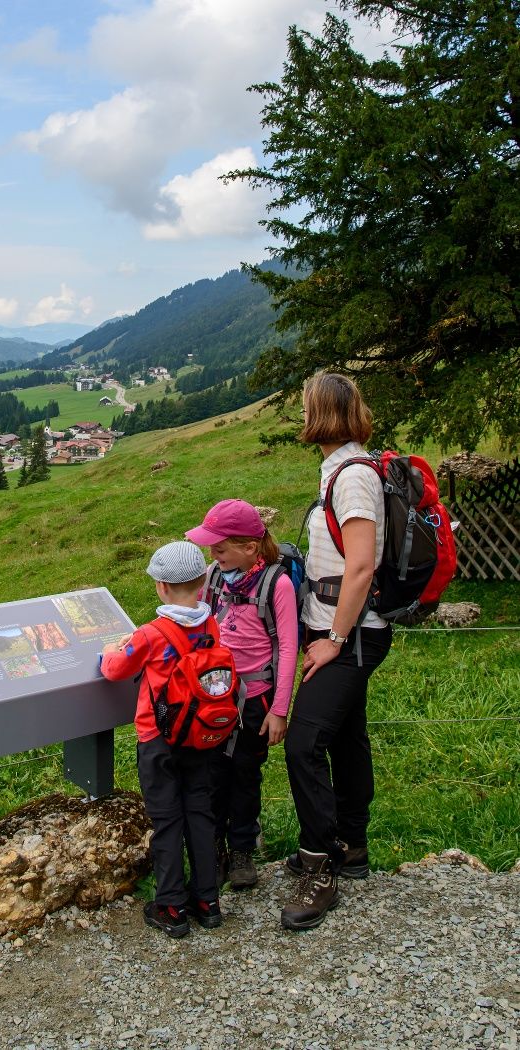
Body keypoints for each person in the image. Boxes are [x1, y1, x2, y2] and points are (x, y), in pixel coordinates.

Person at [280, 371, 393, 931]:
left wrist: (334, 641)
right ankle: (351, 845)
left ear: (320, 413)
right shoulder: (343, 468)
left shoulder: (351, 476)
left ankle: (319, 863)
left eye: (306, 408)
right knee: (347, 736)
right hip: (339, 628)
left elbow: (361, 567)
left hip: (350, 633)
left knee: (304, 743)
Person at [100, 540, 222, 938]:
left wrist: (108, 650)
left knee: (167, 819)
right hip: (200, 737)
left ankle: (170, 906)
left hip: (159, 740)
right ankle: (207, 899)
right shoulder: (210, 623)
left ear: (162, 587)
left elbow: (117, 669)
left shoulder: (152, 633)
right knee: (200, 813)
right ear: (203, 582)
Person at [185, 500, 298, 890]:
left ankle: (242, 851)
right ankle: (213, 849)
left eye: (219, 548)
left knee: (246, 773)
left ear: (249, 547)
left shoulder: (277, 583)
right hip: (214, 694)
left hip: (256, 697)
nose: (211, 555)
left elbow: (287, 647)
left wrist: (279, 710)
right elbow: (196, 621)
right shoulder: (214, 576)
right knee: (213, 771)